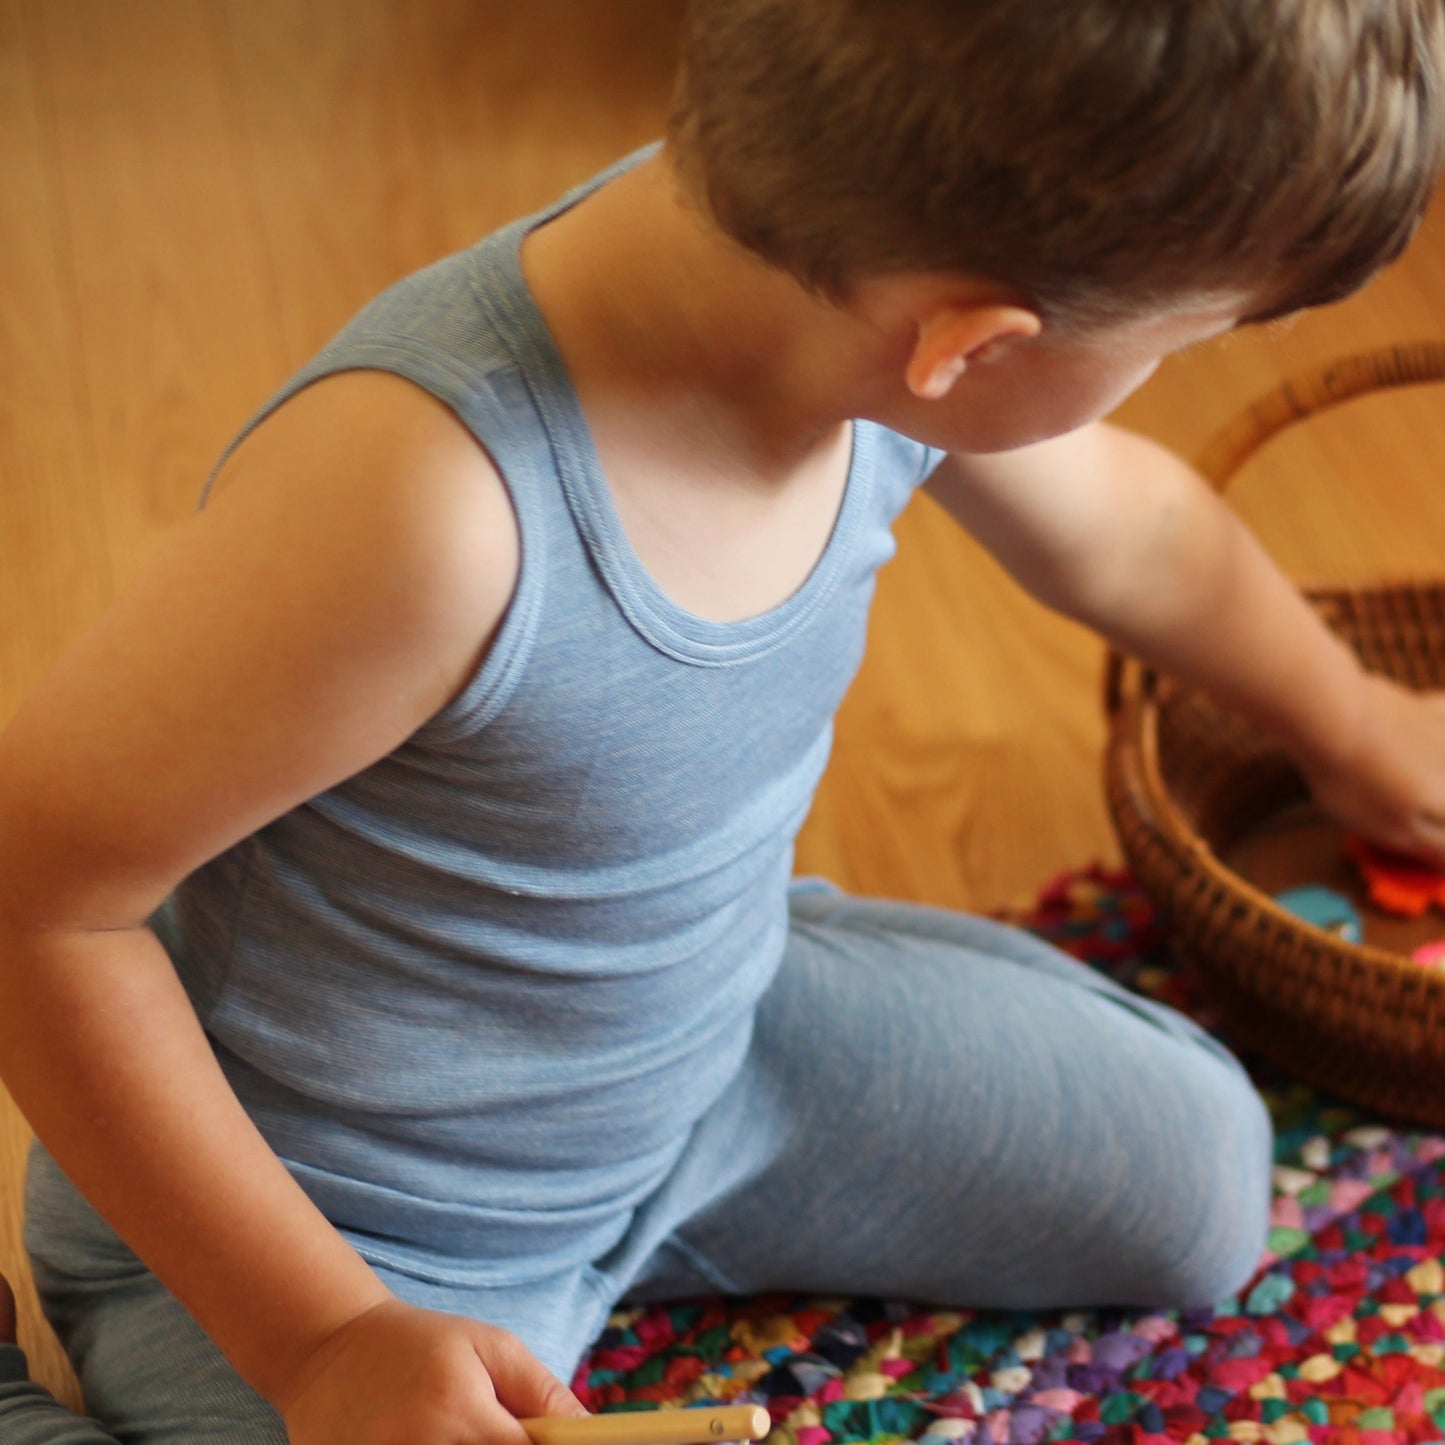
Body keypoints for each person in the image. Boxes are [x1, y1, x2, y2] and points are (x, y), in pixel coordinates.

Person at [2, 1, 1444, 1441]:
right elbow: (37, 899)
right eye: (1182, 343)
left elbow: (1129, 534)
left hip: (717, 1060)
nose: (1168, 371)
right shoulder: (426, 510)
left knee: (1198, 1181)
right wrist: (324, 1340)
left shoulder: (831, 264)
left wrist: (1355, 717)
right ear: (966, 346)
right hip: (346, 1221)